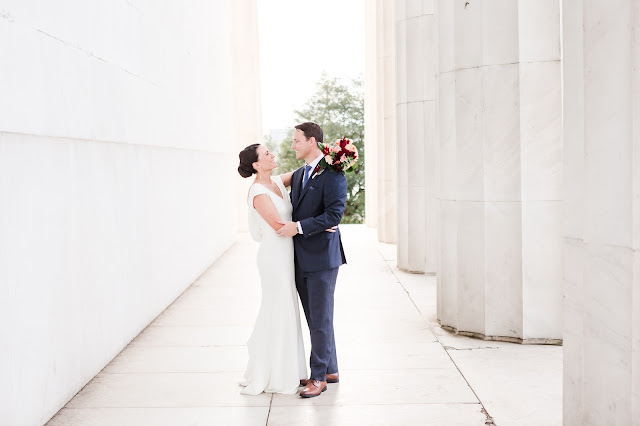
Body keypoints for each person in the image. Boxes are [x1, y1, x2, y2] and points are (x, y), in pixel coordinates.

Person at [276, 122, 348, 398]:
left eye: (296, 140)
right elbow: (273, 184)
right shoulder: (299, 174)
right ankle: (330, 369)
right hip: (300, 257)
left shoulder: (333, 173)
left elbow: (334, 216)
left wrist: (299, 227)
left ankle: (318, 378)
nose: (293, 145)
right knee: (315, 317)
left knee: (319, 318)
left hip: (322, 258)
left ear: (312, 142)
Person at [236, 143, 306, 395]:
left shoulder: (277, 180)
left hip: (287, 255)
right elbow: (278, 225)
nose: (272, 155)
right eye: (267, 154)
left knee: (286, 307)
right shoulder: (257, 191)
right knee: (278, 307)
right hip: (274, 258)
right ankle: (275, 372)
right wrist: (312, 226)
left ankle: (290, 368)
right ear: (256, 164)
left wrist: (329, 156)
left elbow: (303, 171)